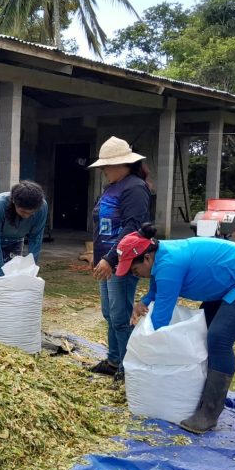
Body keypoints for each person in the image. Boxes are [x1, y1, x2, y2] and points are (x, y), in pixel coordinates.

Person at [117, 223, 235, 434]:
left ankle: (209, 413)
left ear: (146, 258)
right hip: (228, 282)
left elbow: (161, 317)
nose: (135, 275)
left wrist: (151, 350)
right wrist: (145, 301)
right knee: (204, 330)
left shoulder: (169, 263)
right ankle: (198, 396)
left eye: (135, 270)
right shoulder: (159, 254)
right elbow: (157, 285)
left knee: (218, 339)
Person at [87, 136, 152, 380]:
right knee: (109, 312)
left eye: (106, 165)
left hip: (122, 261)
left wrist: (111, 258)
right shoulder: (111, 187)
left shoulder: (135, 187)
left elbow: (132, 227)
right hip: (106, 260)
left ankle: (127, 367)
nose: (103, 170)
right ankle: (114, 360)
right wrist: (97, 257)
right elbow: (101, 227)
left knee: (121, 315)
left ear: (123, 164)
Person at [0, 180, 48, 329]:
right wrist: (0, 273)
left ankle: (8, 324)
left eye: (30, 213)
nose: (26, 216)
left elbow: (35, 238)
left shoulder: (42, 207)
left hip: (15, 240)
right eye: (22, 212)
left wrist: (31, 268)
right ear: (13, 202)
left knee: (15, 278)